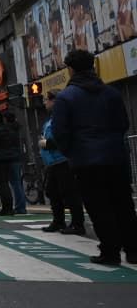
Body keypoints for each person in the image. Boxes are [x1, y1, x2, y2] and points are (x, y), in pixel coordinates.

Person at [52, 49, 137, 264]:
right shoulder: (111, 93)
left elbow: (60, 132)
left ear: (70, 69)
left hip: (85, 160)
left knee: (98, 206)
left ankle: (110, 251)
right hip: (115, 157)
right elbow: (123, 124)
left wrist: (71, 152)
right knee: (123, 204)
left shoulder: (65, 98)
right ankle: (134, 250)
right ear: (93, 66)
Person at [38, 92, 84, 235]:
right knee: (52, 192)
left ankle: (77, 224)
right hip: (52, 162)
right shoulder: (50, 120)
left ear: (54, 101)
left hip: (63, 160)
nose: (45, 103)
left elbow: (61, 139)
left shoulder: (62, 118)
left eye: (46, 100)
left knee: (69, 193)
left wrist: (45, 143)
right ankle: (58, 221)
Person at [3, 112, 27, 215]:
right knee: (18, 183)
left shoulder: (8, 130)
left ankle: (20, 207)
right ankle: (21, 206)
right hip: (17, 157)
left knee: (15, 183)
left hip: (11, 158)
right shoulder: (16, 128)